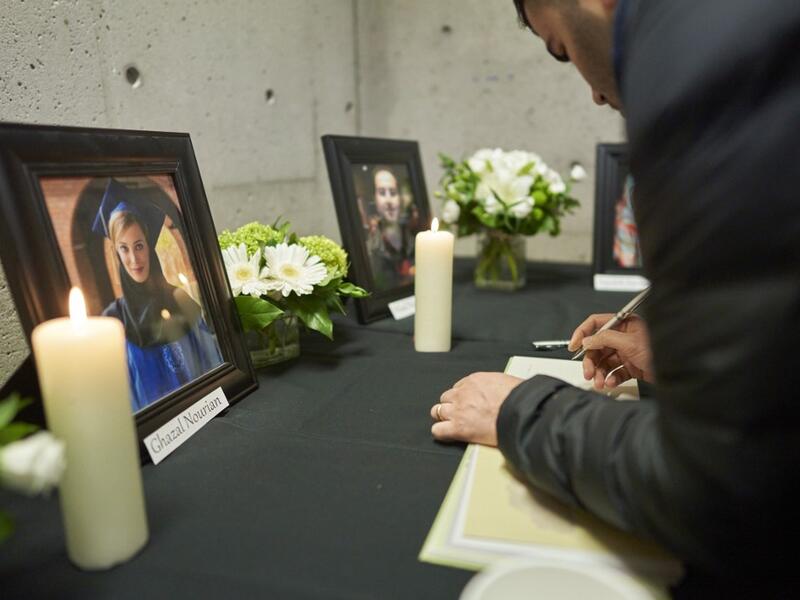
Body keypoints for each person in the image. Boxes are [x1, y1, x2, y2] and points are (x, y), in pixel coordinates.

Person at [431, 0, 799, 593]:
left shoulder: (706, 69)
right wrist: (684, 353)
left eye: (561, 49)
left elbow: (722, 494)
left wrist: (520, 413)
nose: (596, 96)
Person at [93, 179, 223, 412]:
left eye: (139, 246)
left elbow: (212, 366)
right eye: (124, 248)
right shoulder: (113, 321)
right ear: (116, 253)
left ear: (149, 246)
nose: (134, 259)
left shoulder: (180, 300)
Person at [364, 167, 416, 289]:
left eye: (393, 193)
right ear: (374, 199)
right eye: (382, 193)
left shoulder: (410, 235)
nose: (388, 200)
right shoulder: (371, 241)